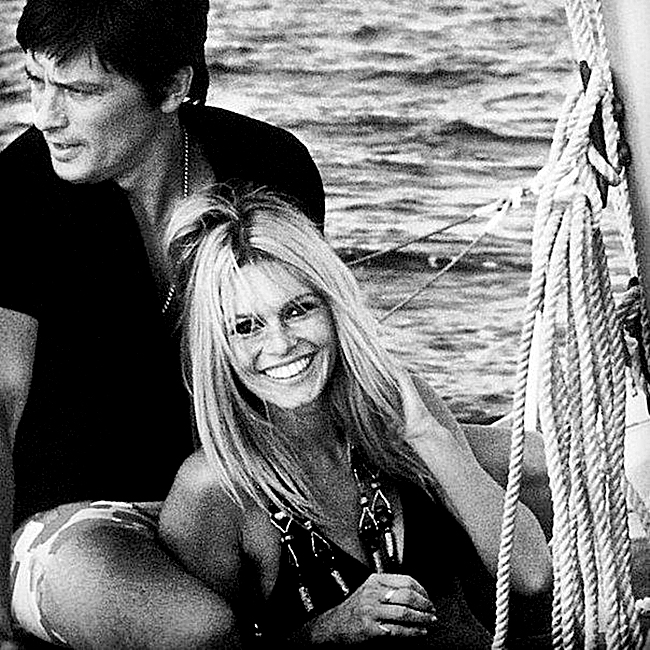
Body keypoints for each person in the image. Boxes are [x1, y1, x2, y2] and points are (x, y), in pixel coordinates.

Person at [0, 0, 324, 647]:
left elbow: (301, 355)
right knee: (197, 630)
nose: (45, 115)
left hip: (229, 494)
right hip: (78, 527)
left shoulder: (270, 166)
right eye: (36, 81)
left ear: (174, 86)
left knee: (525, 470)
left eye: (80, 91)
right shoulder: (16, 194)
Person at [157, 183, 554, 647]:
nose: (280, 344)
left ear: (333, 307)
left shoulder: (403, 413)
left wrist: (429, 437)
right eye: (246, 327)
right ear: (218, 349)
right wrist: (329, 629)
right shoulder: (212, 491)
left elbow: (530, 575)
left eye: (297, 310)